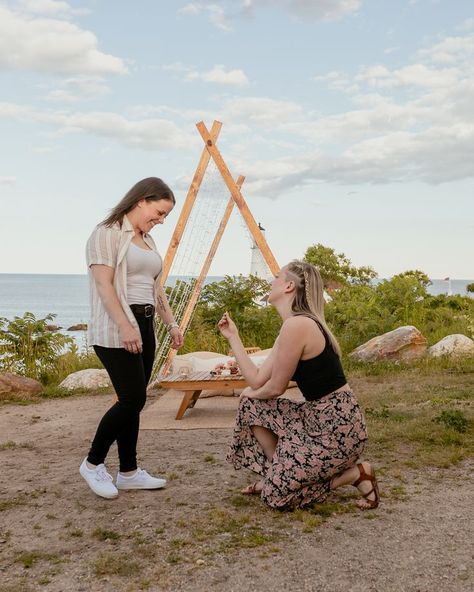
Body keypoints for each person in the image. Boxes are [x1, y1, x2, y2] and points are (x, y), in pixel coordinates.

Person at [218, 260, 379, 510]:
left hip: (338, 429)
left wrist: (248, 394)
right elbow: (258, 379)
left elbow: (275, 388)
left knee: (275, 498)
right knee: (251, 403)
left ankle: (355, 474)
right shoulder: (290, 326)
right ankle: (278, 474)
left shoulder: (298, 325)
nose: (272, 282)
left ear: (289, 286)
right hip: (314, 418)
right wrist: (233, 337)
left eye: (277, 277)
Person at [80, 177, 184, 499]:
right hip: (117, 327)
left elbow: (156, 288)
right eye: (159, 212)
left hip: (147, 323)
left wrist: (171, 323)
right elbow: (104, 285)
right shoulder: (107, 233)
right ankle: (93, 463)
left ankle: (128, 472)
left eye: (166, 215)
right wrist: (126, 326)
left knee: (134, 400)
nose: (161, 220)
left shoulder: (148, 240)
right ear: (141, 200)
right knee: (132, 398)